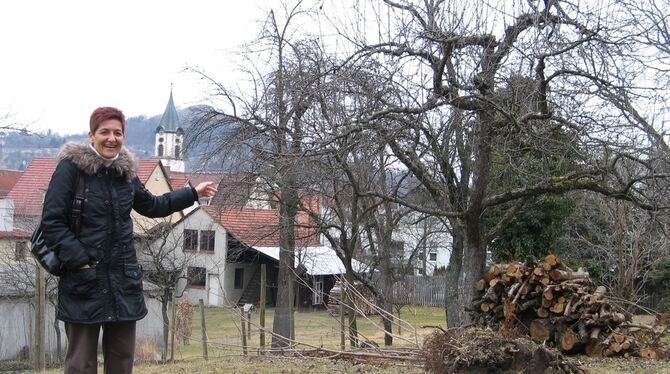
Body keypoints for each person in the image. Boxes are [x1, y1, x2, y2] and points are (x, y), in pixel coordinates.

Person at [40, 107, 216, 374]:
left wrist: (192, 193)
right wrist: (82, 262)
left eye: (118, 133)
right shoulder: (71, 170)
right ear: (91, 135)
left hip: (123, 281)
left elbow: (154, 205)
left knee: (121, 361)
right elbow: (52, 222)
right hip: (83, 282)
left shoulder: (126, 173)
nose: (112, 138)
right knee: (81, 364)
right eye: (105, 132)